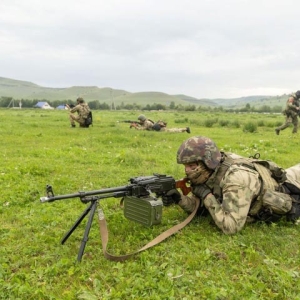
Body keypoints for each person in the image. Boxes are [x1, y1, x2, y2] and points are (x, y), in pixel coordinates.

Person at [162, 136, 300, 234]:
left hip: (291, 185)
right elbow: (201, 208)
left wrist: (207, 195)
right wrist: (179, 199)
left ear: (207, 162)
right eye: (185, 166)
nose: (187, 171)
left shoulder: (235, 180)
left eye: (192, 166)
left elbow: (231, 227)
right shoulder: (211, 170)